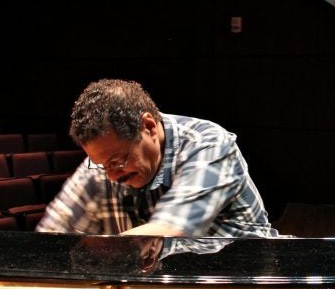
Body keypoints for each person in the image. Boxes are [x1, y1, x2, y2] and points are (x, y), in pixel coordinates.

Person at [36, 79, 279, 258]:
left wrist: (101, 250)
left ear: (149, 126)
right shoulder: (101, 166)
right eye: (102, 165)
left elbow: (171, 227)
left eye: (118, 161)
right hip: (161, 288)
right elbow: (49, 241)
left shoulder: (207, 142)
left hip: (248, 283)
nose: (111, 175)